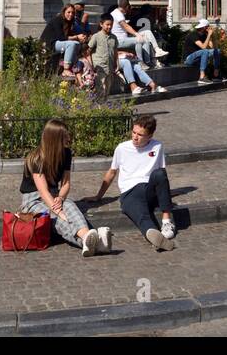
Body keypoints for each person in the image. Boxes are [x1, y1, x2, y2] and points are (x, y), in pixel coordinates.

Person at [84, 114, 177, 251]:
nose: (135, 137)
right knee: (141, 217)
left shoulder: (157, 146)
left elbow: (161, 178)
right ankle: (154, 235)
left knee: (160, 173)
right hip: (130, 192)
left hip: (149, 189)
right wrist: (98, 196)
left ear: (150, 136)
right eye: (133, 132)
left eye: (140, 134)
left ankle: (166, 221)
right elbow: (112, 172)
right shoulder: (122, 148)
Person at [20, 118, 110, 256]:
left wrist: (61, 198)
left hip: (55, 194)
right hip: (33, 200)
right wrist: (57, 211)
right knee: (58, 219)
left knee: (70, 206)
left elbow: (66, 183)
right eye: (65, 136)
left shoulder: (66, 153)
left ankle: (87, 238)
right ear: (55, 139)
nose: (68, 138)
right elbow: (43, 191)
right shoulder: (36, 158)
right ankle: (96, 242)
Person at [111, 0, 168, 66]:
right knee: (142, 40)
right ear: (127, 7)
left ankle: (157, 50)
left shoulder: (117, 13)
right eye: (129, 8)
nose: (129, 10)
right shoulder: (118, 14)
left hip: (125, 38)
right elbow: (126, 26)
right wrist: (136, 34)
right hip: (120, 40)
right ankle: (146, 62)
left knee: (147, 32)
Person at [41, 4, 86, 78]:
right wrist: (77, 37)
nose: (71, 14)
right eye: (68, 12)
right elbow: (61, 37)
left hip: (58, 43)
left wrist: (82, 37)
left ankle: (74, 64)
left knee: (76, 43)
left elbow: (72, 35)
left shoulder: (70, 22)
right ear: (64, 12)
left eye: (72, 13)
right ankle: (66, 69)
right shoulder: (57, 20)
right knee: (71, 44)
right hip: (49, 44)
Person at [87, 14, 120, 96]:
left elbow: (115, 51)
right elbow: (88, 51)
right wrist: (90, 64)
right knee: (102, 88)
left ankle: (102, 106)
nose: (109, 27)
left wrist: (117, 64)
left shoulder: (114, 38)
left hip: (110, 68)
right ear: (101, 24)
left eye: (111, 25)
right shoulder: (96, 36)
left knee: (107, 89)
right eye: (107, 25)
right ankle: (99, 105)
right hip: (99, 67)